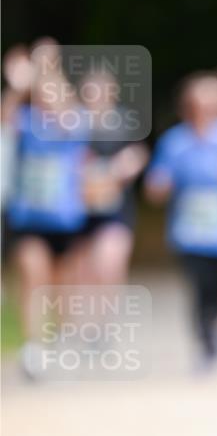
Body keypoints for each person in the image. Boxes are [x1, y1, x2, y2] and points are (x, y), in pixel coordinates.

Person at [144, 73, 217, 370]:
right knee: (201, 289)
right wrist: (159, 184)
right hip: (190, 230)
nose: (203, 110)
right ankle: (206, 341)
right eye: (197, 105)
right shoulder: (174, 141)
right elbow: (157, 182)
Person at [4, 40, 89, 375]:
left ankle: (61, 336)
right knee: (33, 277)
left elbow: (68, 112)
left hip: (65, 220)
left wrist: (47, 66)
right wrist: (19, 85)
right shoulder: (25, 123)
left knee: (60, 285)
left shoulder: (73, 124)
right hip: (28, 219)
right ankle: (33, 346)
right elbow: (5, 117)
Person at [78, 69, 148, 285]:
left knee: (109, 266)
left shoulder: (125, 123)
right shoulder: (73, 122)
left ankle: (107, 308)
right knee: (81, 276)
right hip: (78, 212)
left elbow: (139, 154)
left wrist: (122, 167)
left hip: (115, 210)